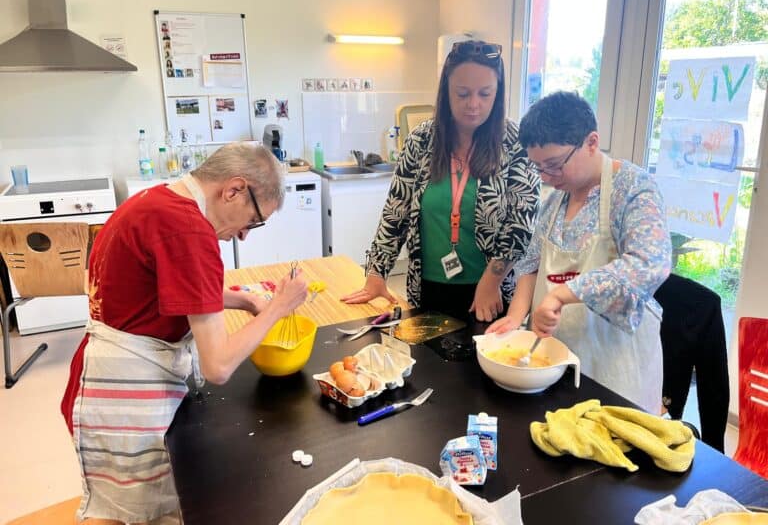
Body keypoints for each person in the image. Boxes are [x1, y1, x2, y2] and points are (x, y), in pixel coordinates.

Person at [60, 143, 307, 525]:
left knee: (128, 508)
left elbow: (169, 288)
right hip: (126, 394)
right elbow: (218, 366)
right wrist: (278, 307)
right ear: (234, 190)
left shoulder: (158, 201)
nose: (244, 235)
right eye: (253, 220)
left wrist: (244, 301)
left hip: (100, 379)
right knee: (140, 513)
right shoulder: (191, 232)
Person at [487, 91, 671, 413]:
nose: (546, 177)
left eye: (554, 165)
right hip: (559, 362)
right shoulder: (555, 201)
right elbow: (531, 265)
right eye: (538, 168)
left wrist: (562, 294)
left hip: (616, 371)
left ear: (591, 142)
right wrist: (515, 318)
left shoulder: (634, 189)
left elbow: (649, 263)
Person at [342, 41, 539, 321]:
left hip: (489, 294)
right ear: (446, 91)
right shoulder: (421, 140)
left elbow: (521, 224)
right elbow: (395, 213)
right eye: (462, 93)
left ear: (498, 93)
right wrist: (377, 273)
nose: (474, 104)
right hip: (428, 290)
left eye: (485, 94)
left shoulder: (515, 143)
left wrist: (492, 279)